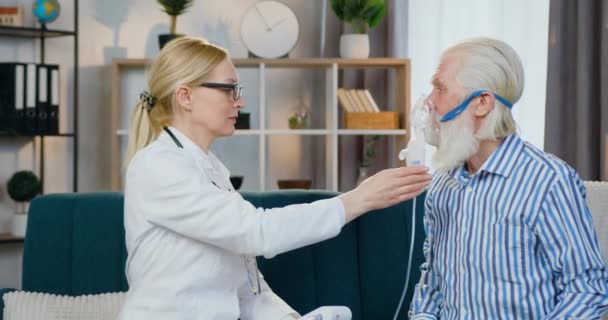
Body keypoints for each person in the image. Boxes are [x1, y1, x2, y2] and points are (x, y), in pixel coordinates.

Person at [117, 36, 431, 320]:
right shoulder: (157, 166)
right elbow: (258, 231)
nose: (240, 103)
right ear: (185, 96)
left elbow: (247, 285)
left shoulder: (210, 169)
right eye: (229, 90)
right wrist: (357, 200)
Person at [409, 37, 608, 319]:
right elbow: (432, 281)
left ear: (481, 103)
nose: (429, 101)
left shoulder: (548, 181)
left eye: (439, 88)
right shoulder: (443, 184)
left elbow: (588, 288)